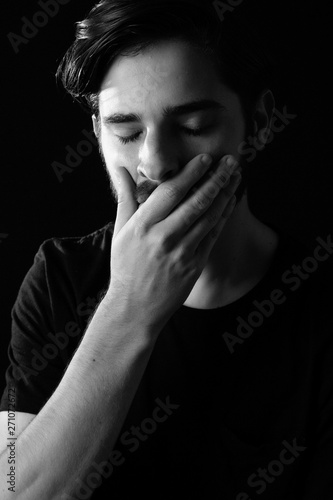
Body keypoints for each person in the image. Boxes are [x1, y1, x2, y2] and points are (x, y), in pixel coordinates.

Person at [0, 0, 332, 498]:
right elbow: (12, 485)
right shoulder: (57, 279)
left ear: (259, 123)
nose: (154, 162)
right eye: (126, 132)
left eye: (194, 127)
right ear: (96, 135)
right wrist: (130, 308)